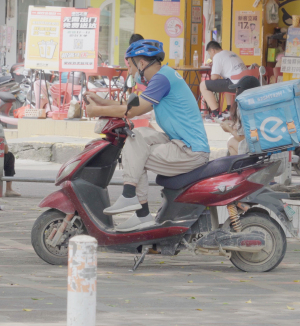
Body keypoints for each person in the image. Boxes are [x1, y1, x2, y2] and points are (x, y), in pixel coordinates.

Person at [84, 40, 211, 232]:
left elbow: (132, 110)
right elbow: (135, 106)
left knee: (136, 153)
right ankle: (139, 211)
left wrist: (95, 111)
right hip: (179, 144)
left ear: (141, 64)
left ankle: (134, 202)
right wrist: (100, 103)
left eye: (131, 67)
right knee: (137, 136)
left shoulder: (161, 79)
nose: (132, 73)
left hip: (190, 151)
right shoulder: (163, 77)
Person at [199, 41, 246, 121]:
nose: (210, 57)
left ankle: (215, 113)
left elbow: (214, 77)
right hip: (245, 83)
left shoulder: (217, 56)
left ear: (213, 50)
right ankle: (229, 108)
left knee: (203, 85)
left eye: (209, 53)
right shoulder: (231, 53)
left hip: (235, 84)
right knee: (225, 80)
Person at [219, 76, 260, 155]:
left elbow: (242, 139)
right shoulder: (262, 103)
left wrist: (229, 129)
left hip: (256, 152)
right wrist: (235, 125)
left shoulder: (243, 107)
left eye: (237, 89)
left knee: (231, 142)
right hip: (270, 147)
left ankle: (243, 166)